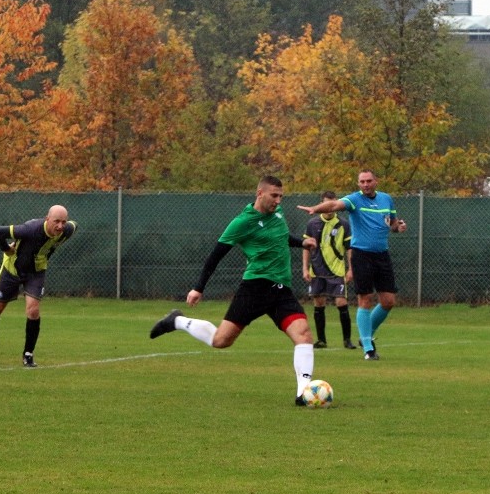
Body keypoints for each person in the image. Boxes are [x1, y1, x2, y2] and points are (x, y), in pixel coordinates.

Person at [149, 176, 319, 406]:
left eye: (281, 196)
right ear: (260, 193)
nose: (278, 201)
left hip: (281, 291)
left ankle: (304, 393)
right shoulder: (242, 222)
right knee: (221, 341)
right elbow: (215, 256)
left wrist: (302, 243)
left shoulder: (277, 214)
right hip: (255, 289)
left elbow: (280, 237)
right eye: (274, 196)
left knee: (304, 335)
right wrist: (198, 287)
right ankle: (177, 321)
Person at [298, 170, 407, 361]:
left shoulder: (386, 199)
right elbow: (334, 204)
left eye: (368, 181)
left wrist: (399, 227)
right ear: (358, 184)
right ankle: (368, 348)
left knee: (388, 301)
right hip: (361, 255)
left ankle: (366, 333)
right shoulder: (354, 200)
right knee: (365, 299)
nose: (365, 184)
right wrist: (316, 208)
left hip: (382, 254)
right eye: (361, 181)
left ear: (376, 181)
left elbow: (392, 224)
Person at [0, 205, 77, 367]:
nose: (60, 226)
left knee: (33, 309)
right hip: (12, 269)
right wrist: (7, 249)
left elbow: (74, 225)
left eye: (63, 222)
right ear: (47, 219)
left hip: (35, 272)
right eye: (56, 221)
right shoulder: (30, 229)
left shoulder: (67, 230)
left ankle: (28, 355)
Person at [302, 191, 356, 350]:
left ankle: (347, 340)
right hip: (317, 271)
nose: (329, 209)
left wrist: (351, 268)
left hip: (337, 271)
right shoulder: (312, 224)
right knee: (319, 303)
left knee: (341, 302)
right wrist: (305, 268)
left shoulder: (344, 224)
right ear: (321, 204)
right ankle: (321, 340)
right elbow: (305, 247)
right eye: (326, 204)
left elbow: (349, 248)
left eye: (332, 205)